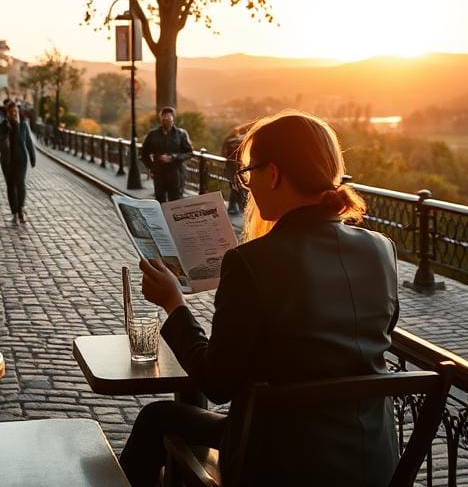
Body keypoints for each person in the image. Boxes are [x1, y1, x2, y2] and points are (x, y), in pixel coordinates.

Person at [119, 111, 400, 486]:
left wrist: (174, 303)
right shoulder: (381, 249)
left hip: (279, 463)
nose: (246, 186)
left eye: (248, 174)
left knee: (157, 418)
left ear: (274, 173)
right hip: (372, 462)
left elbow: (217, 384)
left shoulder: (251, 263)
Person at [0, 100, 36, 225]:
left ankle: (21, 209)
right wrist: (3, 142)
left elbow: (28, 142)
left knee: (21, 184)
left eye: (16, 112)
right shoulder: (2, 126)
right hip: (7, 161)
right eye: (11, 112)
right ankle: (14, 214)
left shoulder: (23, 125)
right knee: (11, 186)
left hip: (21, 159)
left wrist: (32, 158)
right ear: (7, 113)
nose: (14, 114)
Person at [139, 107, 193, 202]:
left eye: (169, 117)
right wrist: (151, 167)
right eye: (164, 117)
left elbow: (189, 152)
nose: (167, 119)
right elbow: (144, 153)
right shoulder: (153, 135)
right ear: (161, 119)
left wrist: (173, 157)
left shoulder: (180, 134)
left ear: (173, 119)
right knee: (160, 201)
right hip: (159, 172)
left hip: (175, 173)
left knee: (175, 202)